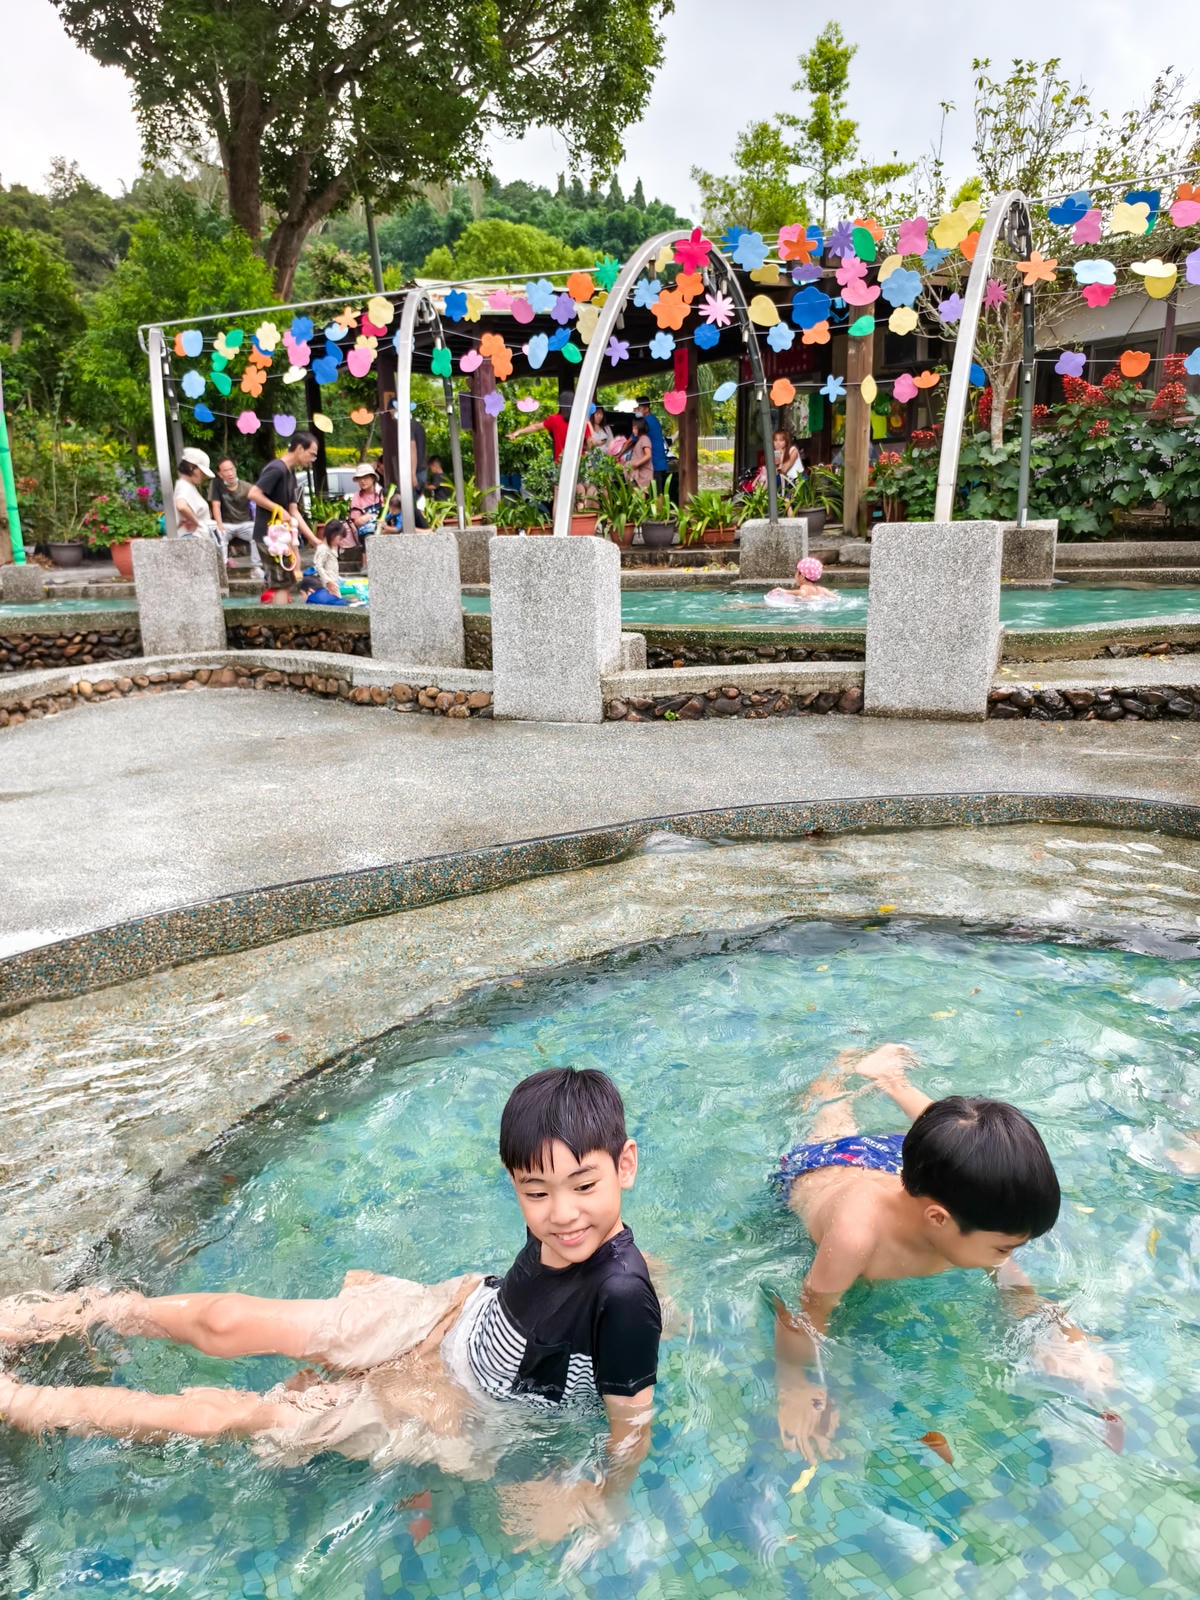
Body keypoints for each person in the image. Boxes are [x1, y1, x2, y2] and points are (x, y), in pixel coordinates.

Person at [0, 1067, 661, 1551]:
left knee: (249, 1416)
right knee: (229, 1320)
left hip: (463, 1414)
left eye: (584, 1185)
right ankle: (83, 1311)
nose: (562, 1212)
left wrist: (595, 1505)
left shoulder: (623, 1299)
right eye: (536, 1191)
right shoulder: (567, 1221)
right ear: (516, 1182)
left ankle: (29, 1406)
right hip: (448, 1316)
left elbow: (631, 1428)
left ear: (624, 1166)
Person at [772, 1043, 1115, 1463]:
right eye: (1005, 1246)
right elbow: (809, 1315)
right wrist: (797, 1383)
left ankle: (890, 1080)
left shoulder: (958, 1215)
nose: (1007, 1256)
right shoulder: (854, 1238)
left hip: (896, 1165)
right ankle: (838, 1072)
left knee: (960, 1142)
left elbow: (1011, 1280)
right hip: (826, 1169)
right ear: (938, 1219)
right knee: (831, 1120)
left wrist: (1058, 1338)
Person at [248, 433, 320, 585]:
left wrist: (313, 540)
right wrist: (279, 510)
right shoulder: (276, 469)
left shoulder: (290, 473)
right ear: (300, 448)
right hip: (269, 537)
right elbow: (253, 494)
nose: (313, 460)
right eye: (312, 455)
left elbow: (294, 511)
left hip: (283, 537)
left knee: (287, 582)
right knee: (280, 585)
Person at [506, 392, 591, 464]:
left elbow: (535, 427)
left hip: (561, 462)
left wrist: (518, 432)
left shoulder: (554, 419)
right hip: (579, 462)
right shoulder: (581, 421)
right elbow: (589, 445)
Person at [209, 456, 258, 576]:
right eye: (225, 471)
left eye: (231, 469)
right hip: (226, 525)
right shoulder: (216, 485)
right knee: (219, 536)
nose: (230, 473)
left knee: (258, 532)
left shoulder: (246, 487)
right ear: (220, 474)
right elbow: (216, 505)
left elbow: (259, 501)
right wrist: (219, 525)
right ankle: (222, 571)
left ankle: (257, 568)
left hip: (245, 524)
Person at [173, 448, 219, 547]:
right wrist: (198, 523)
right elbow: (181, 506)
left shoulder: (188, 486)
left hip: (197, 540)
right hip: (193, 540)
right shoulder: (183, 485)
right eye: (202, 471)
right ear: (191, 467)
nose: (204, 476)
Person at [764, 557, 837, 605]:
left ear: (802, 576)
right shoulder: (821, 589)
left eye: (796, 572)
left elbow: (802, 593)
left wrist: (785, 591)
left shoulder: (805, 587)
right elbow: (835, 597)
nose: (795, 575)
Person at [634, 398, 668, 492]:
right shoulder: (654, 419)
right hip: (660, 462)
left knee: (656, 492)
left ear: (646, 409)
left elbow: (631, 439)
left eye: (638, 408)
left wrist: (619, 454)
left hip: (655, 463)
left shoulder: (644, 423)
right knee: (657, 492)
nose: (636, 410)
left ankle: (659, 507)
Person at [347, 464, 383, 543]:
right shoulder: (357, 497)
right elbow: (357, 522)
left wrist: (366, 517)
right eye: (359, 478)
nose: (362, 481)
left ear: (373, 478)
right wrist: (371, 516)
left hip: (384, 531)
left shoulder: (382, 493)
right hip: (366, 535)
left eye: (365, 477)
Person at [310, 519, 346, 597]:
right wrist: (328, 581)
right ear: (332, 535)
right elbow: (318, 566)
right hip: (327, 586)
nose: (340, 542)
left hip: (333, 584)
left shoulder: (330, 548)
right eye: (339, 539)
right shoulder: (323, 549)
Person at [622, 417, 654, 491]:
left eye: (635, 428)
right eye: (633, 428)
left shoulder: (645, 439)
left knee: (641, 494)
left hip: (644, 474)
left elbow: (648, 455)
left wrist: (636, 464)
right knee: (637, 494)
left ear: (641, 428)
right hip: (639, 473)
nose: (633, 431)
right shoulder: (640, 440)